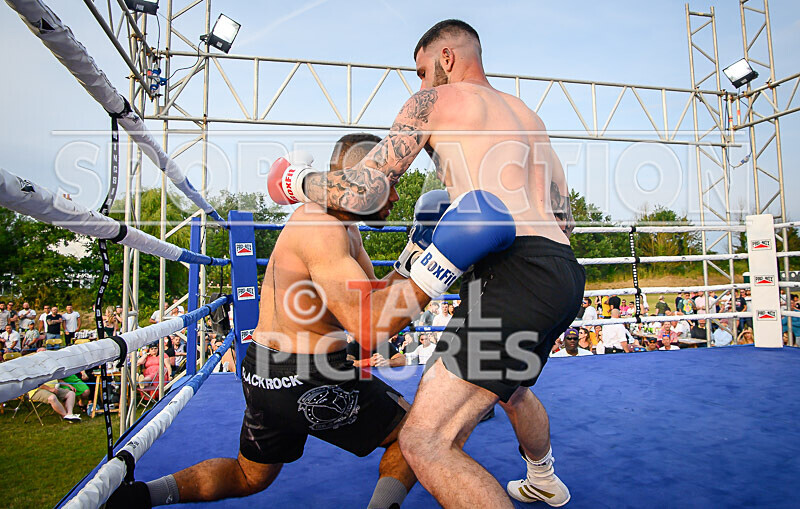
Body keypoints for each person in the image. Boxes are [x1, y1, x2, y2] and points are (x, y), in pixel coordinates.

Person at [268, 21, 584, 507]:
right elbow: (564, 219)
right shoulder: (528, 117)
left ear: (448, 57)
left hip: (512, 271)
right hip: (561, 269)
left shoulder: (434, 102)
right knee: (511, 387)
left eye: (422, 71)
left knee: (424, 440)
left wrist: (296, 182)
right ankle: (543, 475)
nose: (419, 84)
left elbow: (366, 189)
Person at [111, 132, 510, 508]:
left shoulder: (341, 226)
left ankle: (140, 497)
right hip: (308, 372)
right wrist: (439, 266)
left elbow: (376, 294)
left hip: (265, 370)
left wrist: (415, 253)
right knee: (417, 435)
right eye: (390, 181)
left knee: (251, 476)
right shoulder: (320, 228)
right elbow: (371, 329)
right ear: (361, 180)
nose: (398, 194)